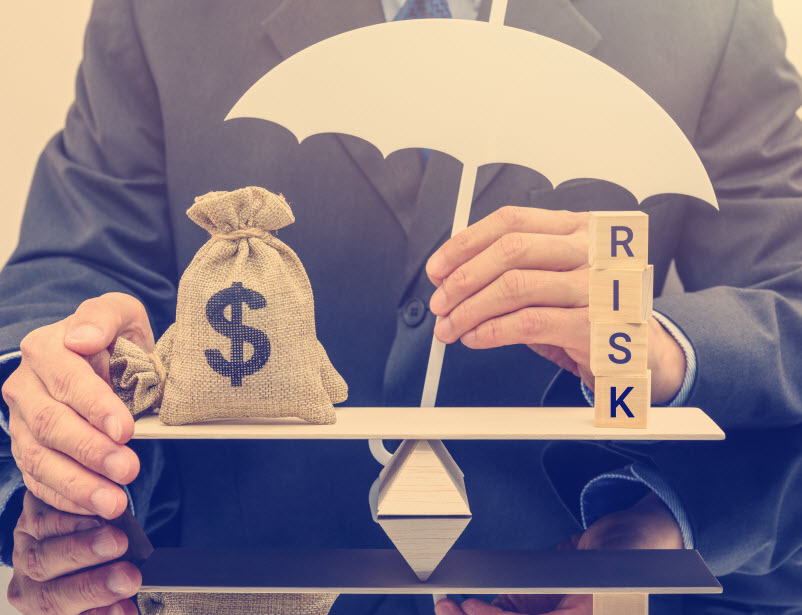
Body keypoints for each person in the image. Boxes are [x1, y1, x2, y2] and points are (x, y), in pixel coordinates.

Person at [1, 0, 801, 613]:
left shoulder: (707, 15)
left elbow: (790, 292)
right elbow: (66, 269)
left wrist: (660, 341)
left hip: (545, 574)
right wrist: (62, 371)